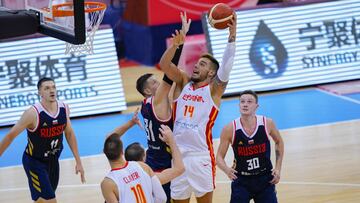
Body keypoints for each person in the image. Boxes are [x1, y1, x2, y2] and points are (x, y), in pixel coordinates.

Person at [158, 12, 237, 203]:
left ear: (211, 72)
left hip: (201, 156)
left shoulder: (213, 91)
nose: (196, 66)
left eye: (202, 65)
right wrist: (177, 44)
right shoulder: (184, 81)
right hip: (178, 157)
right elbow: (164, 65)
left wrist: (232, 37)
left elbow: (225, 68)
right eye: (197, 63)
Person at [0, 77, 85, 203]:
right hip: (34, 162)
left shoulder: (64, 108)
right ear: (39, 93)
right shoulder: (32, 113)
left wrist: (78, 161)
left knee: (43, 200)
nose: (51, 90)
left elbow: (70, 134)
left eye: (53, 87)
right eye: (46, 88)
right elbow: (10, 135)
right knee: (50, 200)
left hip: (53, 161)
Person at [135, 12, 191, 203]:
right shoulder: (157, 101)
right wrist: (180, 42)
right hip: (163, 163)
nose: (158, 83)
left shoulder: (145, 105)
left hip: (153, 157)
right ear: (147, 92)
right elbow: (168, 71)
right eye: (153, 83)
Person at [101, 110, 184, 203]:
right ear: (122, 151)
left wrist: (131, 123)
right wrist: (171, 140)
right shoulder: (142, 167)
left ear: (104, 152)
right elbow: (179, 169)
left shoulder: (108, 183)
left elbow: (109, 139)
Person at [216, 90, 284, 203]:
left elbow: (279, 142)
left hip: (265, 179)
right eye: (242, 102)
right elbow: (218, 156)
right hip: (242, 180)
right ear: (239, 105)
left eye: (249, 101)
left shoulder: (267, 123)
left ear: (256, 106)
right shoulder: (229, 129)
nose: (245, 104)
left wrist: (278, 168)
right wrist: (227, 170)